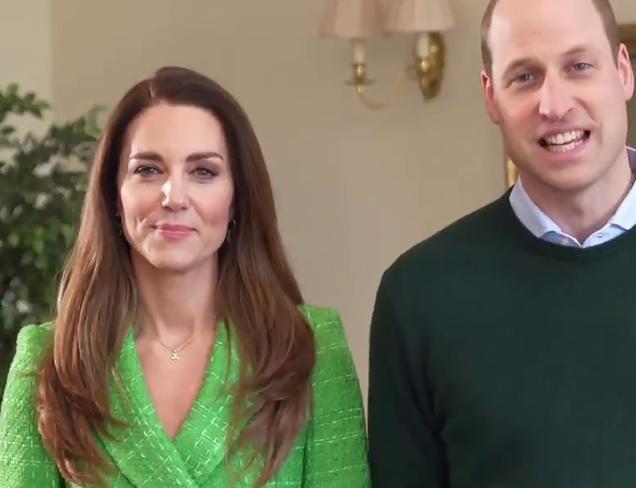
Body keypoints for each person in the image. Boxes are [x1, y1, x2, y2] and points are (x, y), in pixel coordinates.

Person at [0, 67, 369, 487]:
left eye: (203, 172)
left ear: (237, 199)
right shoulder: (51, 360)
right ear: (113, 197)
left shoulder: (310, 346)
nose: (174, 197)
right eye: (148, 170)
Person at [368, 0, 636, 486]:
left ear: (623, 71)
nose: (555, 104)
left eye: (578, 66)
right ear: (491, 97)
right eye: (524, 77)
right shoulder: (418, 295)